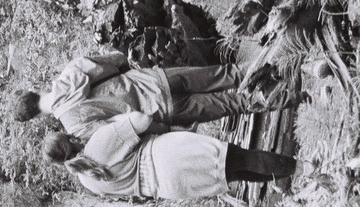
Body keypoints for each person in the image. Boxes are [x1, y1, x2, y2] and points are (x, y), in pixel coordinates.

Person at [15, 51, 284, 140]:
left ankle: (285, 97)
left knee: (232, 104)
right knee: (226, 74)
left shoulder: (74, 127)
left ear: (36, 118)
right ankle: (280, 63)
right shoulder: (70, 73)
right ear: (33, 91)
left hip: (162, 110)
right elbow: (117, 58)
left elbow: (120, 128)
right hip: (156, 79)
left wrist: (163, 128)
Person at [43, 113, 296, 202]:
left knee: (235, 173)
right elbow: (141, 121)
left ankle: (294, 171)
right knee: (243, 158)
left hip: (168, 187)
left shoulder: (87, 182)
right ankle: (300, 168)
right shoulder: (97, 142)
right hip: (165, 155)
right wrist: (119, 119)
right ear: (71, 139)